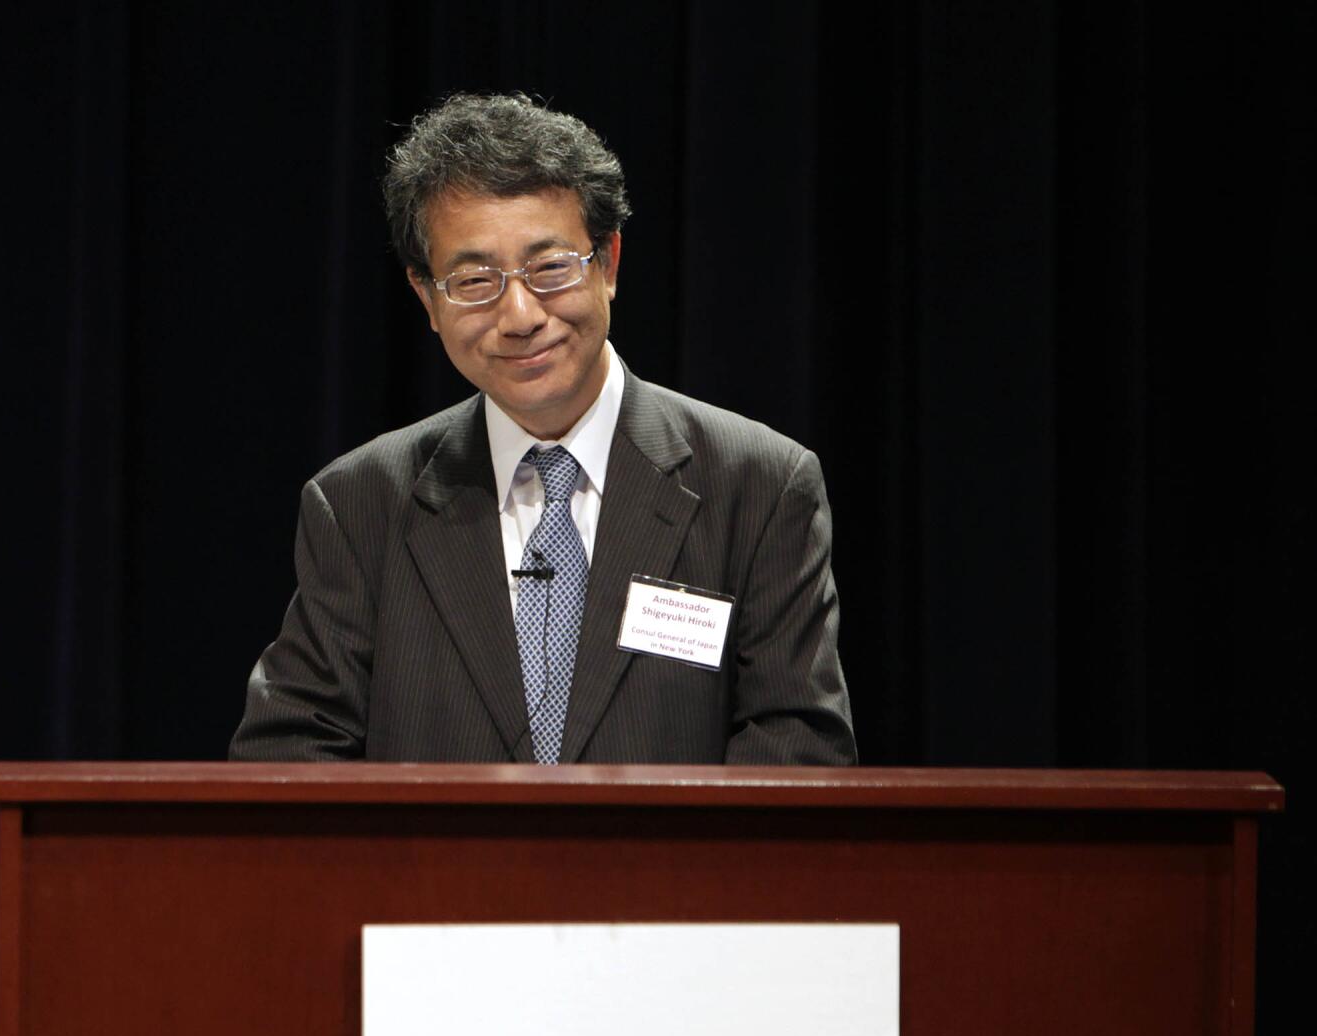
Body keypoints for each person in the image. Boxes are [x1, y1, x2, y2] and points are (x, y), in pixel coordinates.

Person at [229, 92, 855, 765]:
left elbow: (798, 753)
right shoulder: (359, 504)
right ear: (427, 299)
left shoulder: (760, 484)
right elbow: (289, 756)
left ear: (608, 263)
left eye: (550, 268)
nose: (520, 314)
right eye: (474, 280)